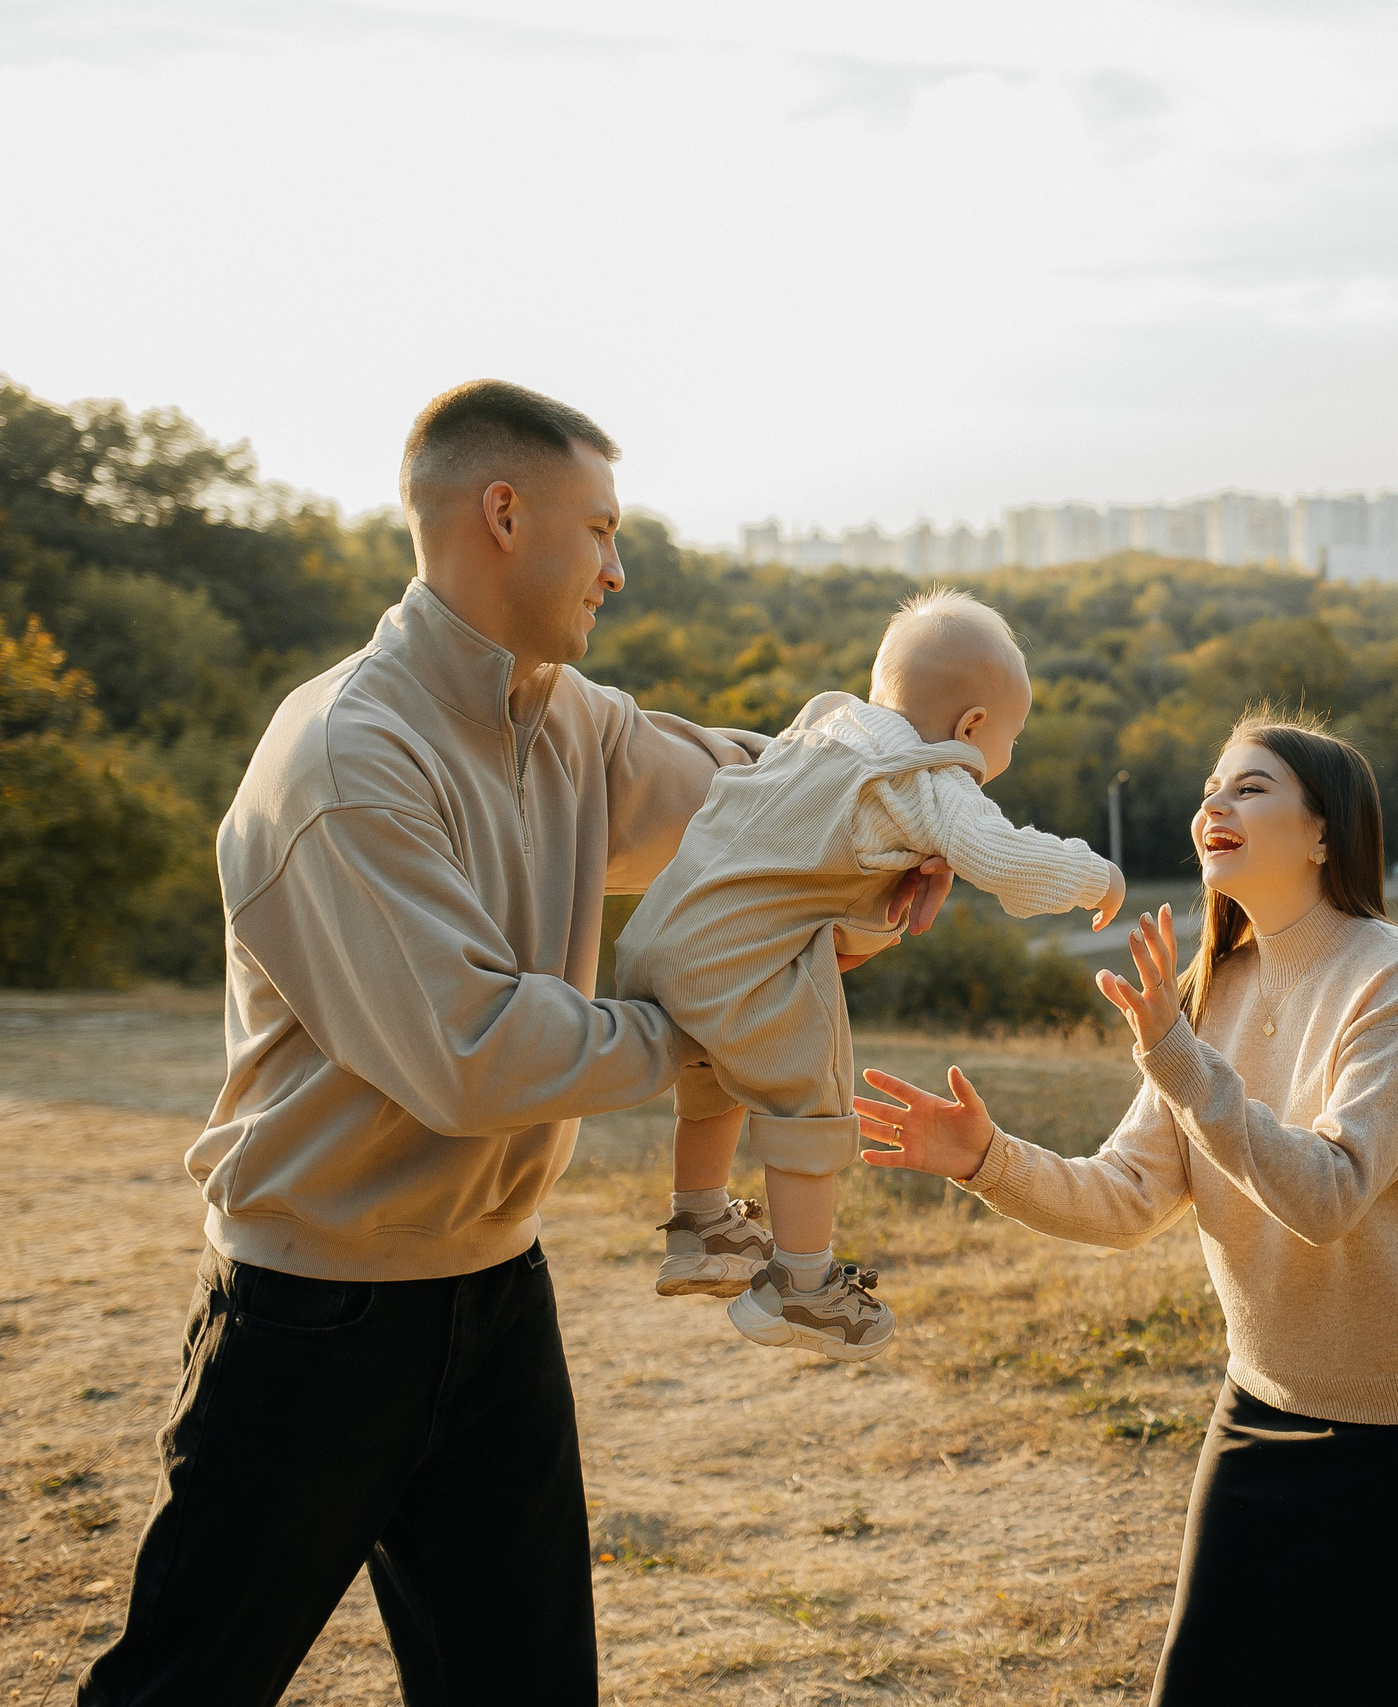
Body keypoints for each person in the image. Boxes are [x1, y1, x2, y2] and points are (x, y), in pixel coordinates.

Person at [78, 380, 952, 1707]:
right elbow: (474, 1048)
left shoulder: (567, 716)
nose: (619, 564)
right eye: (601, 527)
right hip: (319, 1315)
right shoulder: (347, 756)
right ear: (504, 512)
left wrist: (889, 824)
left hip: (496, 1290)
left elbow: (735, 799)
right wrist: (721, 1023)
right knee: (186, 1685)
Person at [855, 711, 1398, 1706]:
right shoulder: (1212, 992)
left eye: (1250, 788)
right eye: (1211, 788)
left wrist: (1177, 1056)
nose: (1214, 803)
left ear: (1322, 832)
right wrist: (987, 1159)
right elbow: (1127, 1196)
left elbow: (1329, 1194)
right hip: (1267, 1402)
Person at [618, 586, 1126, 1362]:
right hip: (738, 959)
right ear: (973, 728)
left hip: (659, 933)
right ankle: (803, 1284)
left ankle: (700, 1226)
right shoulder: (930, 777)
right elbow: (1008, 860)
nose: (1005, 759)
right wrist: (1095, 877)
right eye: (1012, 740)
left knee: (722, 1066)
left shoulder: (827, 721)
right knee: (809, 1086)